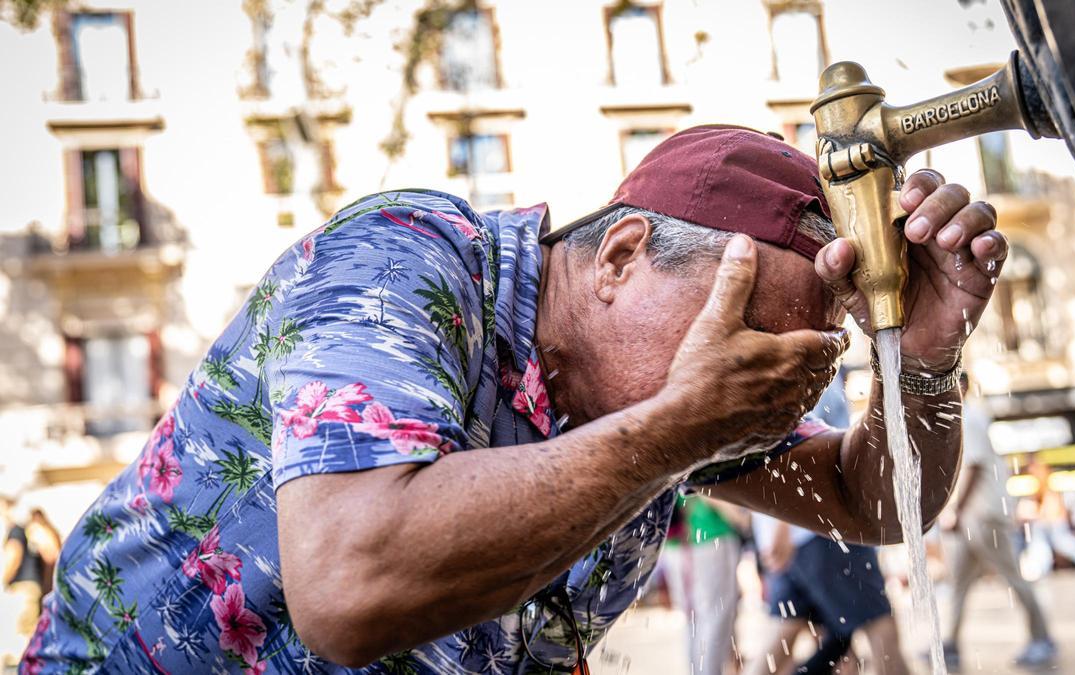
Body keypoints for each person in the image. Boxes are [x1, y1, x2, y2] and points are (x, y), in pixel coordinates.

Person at [24, 125, 1008, 673]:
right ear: (622, 255)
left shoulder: (692, 400)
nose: (763, 380)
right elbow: (349, 591)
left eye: (792, 356)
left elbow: (867, 501)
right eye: (748, 327)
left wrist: (922, 358)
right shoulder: (405, 259)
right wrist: (676, 430)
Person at [746, 373, 909, 675]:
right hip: (823, 529)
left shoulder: (775, 367)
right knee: (879, 627)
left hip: (796, 534)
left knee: (784, 638)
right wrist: (784, 524)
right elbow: (798, 453)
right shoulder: (808, 368)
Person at [941, 372, 1054, 670]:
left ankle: (1042, 638)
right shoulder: (960, 417)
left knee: (1012, 577)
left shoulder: (971, 417)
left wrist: (956, 510)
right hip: (970, 518)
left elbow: (974, 468)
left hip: (984, 515)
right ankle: (948, 645)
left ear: (960, 385)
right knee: (959, 584)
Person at [660, 494, 746, 675]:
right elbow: (708, 490)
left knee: (694, 621)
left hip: (677, 543)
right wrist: (742, 517)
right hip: (710, 537)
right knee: (715, 619)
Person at [4, 500, 60, 643]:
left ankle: (28, 664)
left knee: (23, 632)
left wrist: (4, 579)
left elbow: (14, 554)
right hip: (36, 586)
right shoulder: (33, 531)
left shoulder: (22, 530)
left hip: (24, 586)